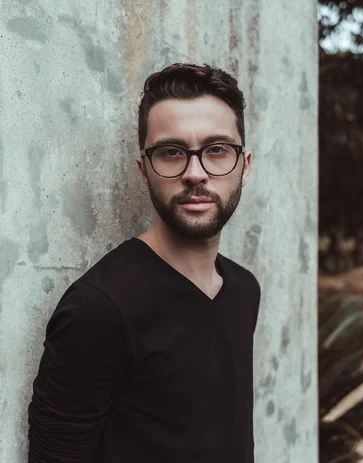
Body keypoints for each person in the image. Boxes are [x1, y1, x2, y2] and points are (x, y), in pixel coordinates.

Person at [27, 63, 261, 463]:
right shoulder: (99, 308)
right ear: (144, 170)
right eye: (171, 152)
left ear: (244, 166)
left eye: (217, 150)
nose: (195, 173)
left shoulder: (243, 289)